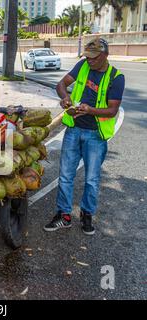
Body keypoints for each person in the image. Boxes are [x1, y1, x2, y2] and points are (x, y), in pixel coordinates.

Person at [44, 38, 125, 236]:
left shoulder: (116, 77)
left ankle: (87, 214)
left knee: (91, 179)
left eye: (93, 58)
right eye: (87, 57)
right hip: (73, 130)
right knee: (65, 175)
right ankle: (64, 215)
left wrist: (89, 110)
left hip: (95, 136)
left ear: (105, 55)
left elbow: (112, 111)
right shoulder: (82, 66)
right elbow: (61, 84)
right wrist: (65, 98)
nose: (89, 61)